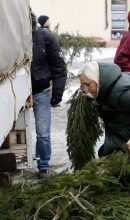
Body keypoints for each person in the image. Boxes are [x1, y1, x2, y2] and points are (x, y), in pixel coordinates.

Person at [31, 13, 67, 178]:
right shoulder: (11, 36)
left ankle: (43, 166)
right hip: (15, 90)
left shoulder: (45, 37)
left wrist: (57, 92)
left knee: (43, 133)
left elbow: (59, 65)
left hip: (40, 90)